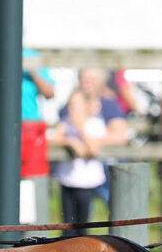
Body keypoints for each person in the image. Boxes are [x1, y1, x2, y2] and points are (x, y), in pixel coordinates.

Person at [50, 69, 128, 236]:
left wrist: (80, 130)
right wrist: (70, 141)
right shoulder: (67, 116)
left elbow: (101, 144)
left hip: (93, 177)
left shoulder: (101, 113)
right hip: (70, 178)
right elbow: (55, 135)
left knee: (86, 224)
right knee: (68, 226)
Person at [0, 48, 55, 176]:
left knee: (29, 180)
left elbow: (49, 93)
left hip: (29, 133)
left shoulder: (33, 57)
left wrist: (33, 72)